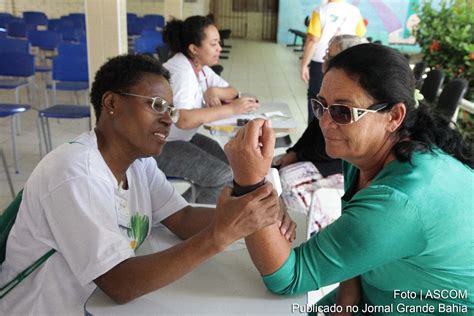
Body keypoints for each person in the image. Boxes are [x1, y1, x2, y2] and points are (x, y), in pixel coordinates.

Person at [0, 54, 296, 315]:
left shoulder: (139, 164)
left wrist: (250, 214)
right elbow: (119, 284)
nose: (168, 120)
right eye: (156, 105)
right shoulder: (76, 173)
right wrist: (219, 236)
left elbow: (182, 218)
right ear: (112, 103)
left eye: (170, 109)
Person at [225, 44, 474, 313]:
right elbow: (357, 249)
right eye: (321, 106)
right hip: (378, 292)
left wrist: (250, 181)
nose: (325, 123)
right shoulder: (369, 157)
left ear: (394, 116)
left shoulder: (399, 200)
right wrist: (346, 299)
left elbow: (288, 278)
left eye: (343, 112)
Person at [155, 15, 259, 204]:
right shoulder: (181, 72)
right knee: (223, 176)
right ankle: (186, 218)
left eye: (219, 43)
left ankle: (181, 210)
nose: (219, 48)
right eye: (213, 44)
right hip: (159, 145)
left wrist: (214, 90)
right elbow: (183, 119)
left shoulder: (200, 68)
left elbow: (232, 91)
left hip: (181, 138)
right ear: (194, 49)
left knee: (234, 167)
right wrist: (232, 109)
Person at [275, 35, 367, 213]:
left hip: (335, 163)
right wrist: (293, 152)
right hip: (320, 156)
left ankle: (293, 227)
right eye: (326, 54)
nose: (324, 59)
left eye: (330, 56)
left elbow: (331, 151)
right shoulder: (331, 87)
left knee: (284, 181)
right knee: (271, 168)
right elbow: (314, 127)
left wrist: (297, 157)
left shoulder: (353, 98)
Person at [301, 0, 366, 123]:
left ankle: (313, 135)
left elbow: (312, 40)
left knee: (317, 100)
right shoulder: (354, 11)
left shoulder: (320, 11)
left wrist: (304, 64)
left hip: (321, 62)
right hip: (346, 64)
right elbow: (359, 37)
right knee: (340, 101)